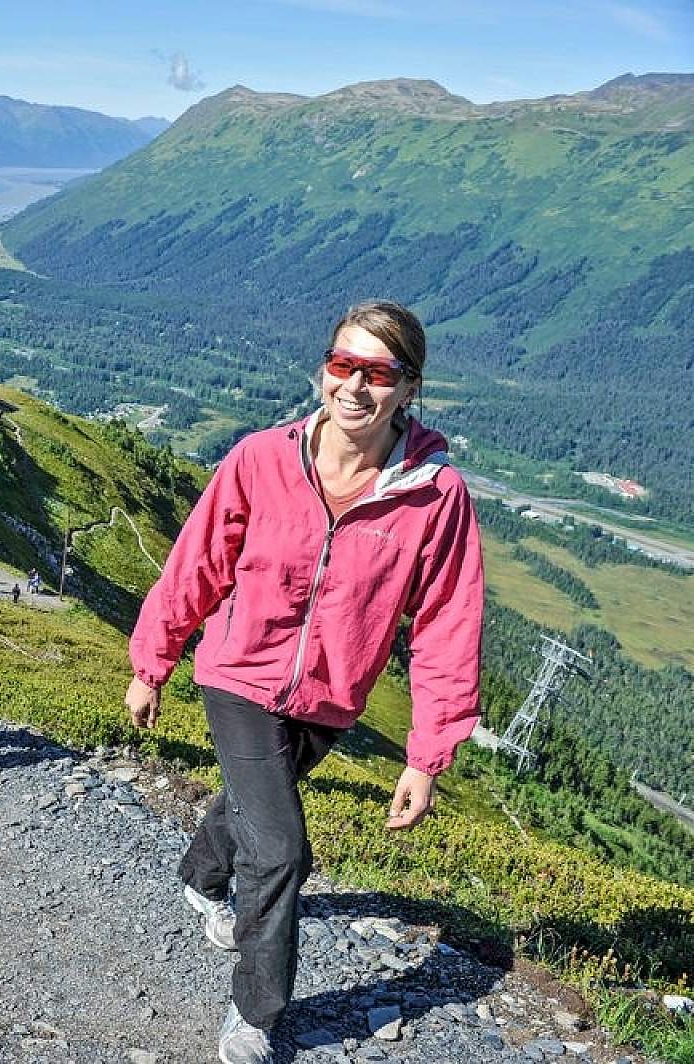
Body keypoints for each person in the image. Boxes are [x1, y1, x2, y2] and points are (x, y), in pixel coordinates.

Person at [125, 301, 483, 1064]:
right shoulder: (261, 458)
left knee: (259, 802)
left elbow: (448, 623)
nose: (354, 387)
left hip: (330, 694)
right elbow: (197, 565)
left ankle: (200, 877)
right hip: (238, 671)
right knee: (282, 847)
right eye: (342, 365)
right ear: (324, 367)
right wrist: (152, 662)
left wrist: (427, 755)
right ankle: (256, 1013)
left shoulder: (434, 495)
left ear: (409, 387)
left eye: (378, 373)